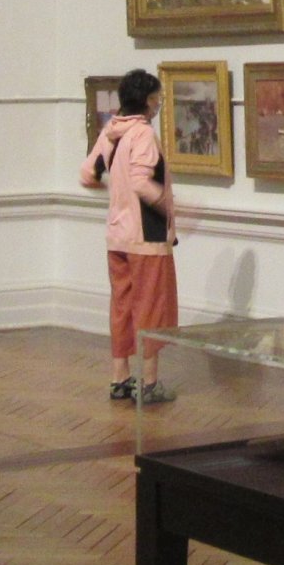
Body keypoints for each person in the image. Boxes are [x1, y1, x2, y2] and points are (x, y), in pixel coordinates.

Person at [79, 68, 179, 404]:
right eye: (157, 97)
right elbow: (140, 181)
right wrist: (169, 207)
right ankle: (148, 383)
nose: (160, 102)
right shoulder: (144, 135)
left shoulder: (112, 130)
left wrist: (113, 188)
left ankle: (119, 377)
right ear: (148, 101)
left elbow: (88, 173)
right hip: (145, 237)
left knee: (122, 306)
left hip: (117, 234)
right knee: (151, 308)